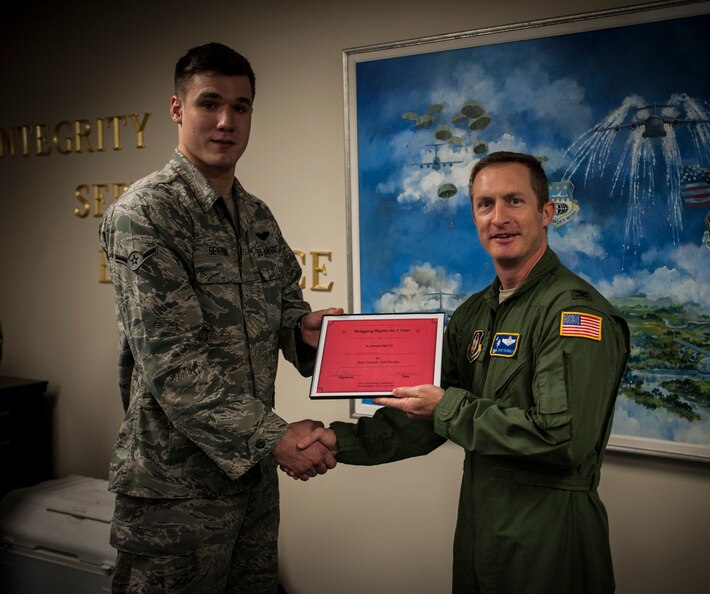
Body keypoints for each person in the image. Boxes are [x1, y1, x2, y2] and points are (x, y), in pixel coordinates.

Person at [295, 151, 629, 593]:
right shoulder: (474, 314)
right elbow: (424, 417)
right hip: (480, 533)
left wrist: (447, 407)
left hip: (551, 539)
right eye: (485, 204)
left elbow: (562, 437)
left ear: (546, 213)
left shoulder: (574, 313)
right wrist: (340, 440)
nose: (499, 218)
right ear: (474, 215)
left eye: (515, 201)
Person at [99, 42, 341, 593]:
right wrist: (276, 437)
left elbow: (285, 311)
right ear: (177, 109)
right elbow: (172, 364)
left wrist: (302, 332)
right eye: (210, 103)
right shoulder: (145, 214)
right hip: (175, 491)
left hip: (251, 482)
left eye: (242, 106)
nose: (226, 121)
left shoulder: (256, 217)